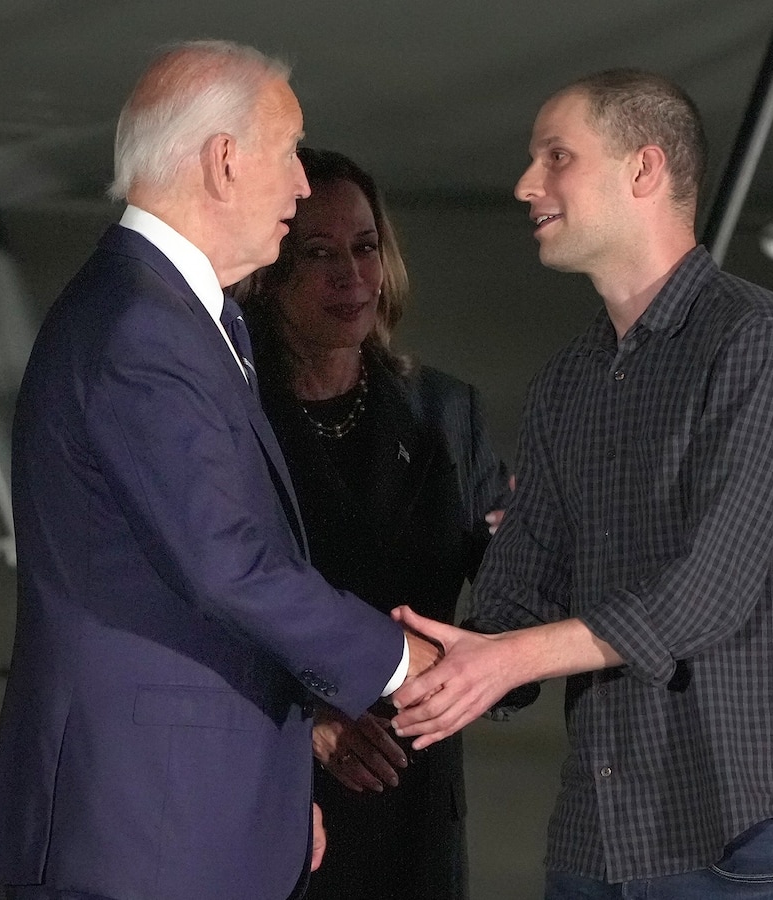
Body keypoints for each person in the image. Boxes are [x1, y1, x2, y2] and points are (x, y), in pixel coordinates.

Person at [0, 41, 439, 900]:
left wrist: (266, 778)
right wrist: (404, 661)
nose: (303, 188)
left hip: (185, 809)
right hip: (146, 828)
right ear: (224, 161)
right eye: (291, 152)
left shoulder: (181, 312)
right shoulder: (140, 329)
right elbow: (229, 564)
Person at [391, 69, 773, 899]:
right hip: (597, 843)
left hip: (740, 839)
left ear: (644, 171)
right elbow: (513, 604)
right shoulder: (567, 383)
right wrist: (401, 663)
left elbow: (705, 594)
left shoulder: (761, 342)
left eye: (556, 156)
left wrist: (502, 659)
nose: (526, 185)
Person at [237, 146, 509, 900]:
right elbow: (207, 602)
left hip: (413, 795)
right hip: (280, 794)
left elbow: (513, 591)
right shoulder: (231, 416)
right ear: (269, 273)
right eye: (319, 253)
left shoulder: (444, 410)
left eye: (364, 248)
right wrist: (307, 723)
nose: (351, 276)